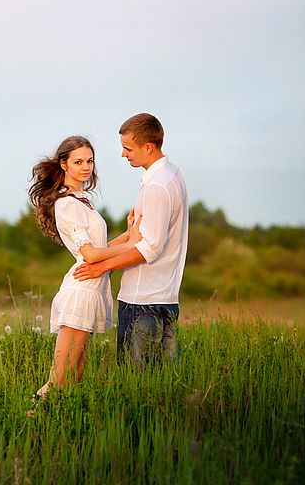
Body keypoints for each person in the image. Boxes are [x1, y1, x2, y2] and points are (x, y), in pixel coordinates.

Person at [29, 135, 143, 399]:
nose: (86, 167)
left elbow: (98, 246)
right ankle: (31, 420)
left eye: (89, 161)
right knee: (61, 377)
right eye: (78, 161)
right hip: (81, 292)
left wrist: (127, 236)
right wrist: (131, 246)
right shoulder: (67, 203)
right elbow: (90, 255)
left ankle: (61, 427)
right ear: (64, 164)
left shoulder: (80, 199)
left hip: (92, 289)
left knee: (75, 374)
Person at [74, 113, 189, 367]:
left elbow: (150, 248)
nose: (123, 155)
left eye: (128, 148)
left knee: (136, 383)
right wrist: (127, 236)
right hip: (165, 298)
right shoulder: (172, 175)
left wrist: (101, 267)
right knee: (162, 384)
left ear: (148, 147)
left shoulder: (157, 186)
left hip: (143, 302)